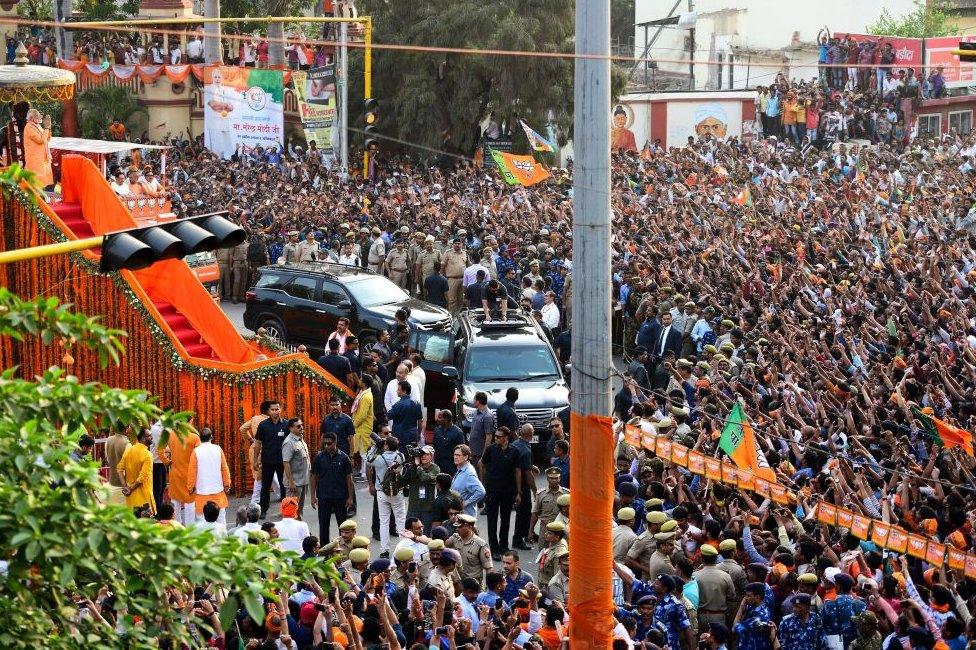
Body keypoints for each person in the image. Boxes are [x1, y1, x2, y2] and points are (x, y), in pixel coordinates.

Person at [480, 426, 522, 560]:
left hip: (508, 490)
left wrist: (518, 491)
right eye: (495, 436)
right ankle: (494, 548)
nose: (496, 438)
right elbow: (482, 465)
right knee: (492, 520)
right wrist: (483, 484)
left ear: (506, 438)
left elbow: (517, 471)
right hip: (492, 490)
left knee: (506, 519)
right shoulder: (491, 449)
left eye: (499, 436)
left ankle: (504, 545)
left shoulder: (514, 451)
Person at [309, 432, 354, 543]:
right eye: (325, 444)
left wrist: (350, 498)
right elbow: (313, 477)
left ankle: (344, 549)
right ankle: (325, 551)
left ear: (335, 442)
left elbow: (349, 480)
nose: (327, 446)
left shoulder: (344, 458)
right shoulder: (319, 458)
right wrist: (312, 497)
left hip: (340, 496)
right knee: (323, 526)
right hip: (324, 496)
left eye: (329, 443)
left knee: (342, 525)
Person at [368, 434, 406, 558]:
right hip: (397, 492)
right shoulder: (400, 456)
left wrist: (375, 446)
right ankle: (402, 548)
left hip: (381, 492)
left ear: (386, 446)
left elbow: (368, 460)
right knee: (400, 520)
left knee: (383, 522)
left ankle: (385, 550)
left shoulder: (379, 458)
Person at [185, 427, 231, 525]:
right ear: (212, 437)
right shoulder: (218, 449)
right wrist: (227, 484)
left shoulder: (196, 451)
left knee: (202, 523)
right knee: (221, 521)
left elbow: (192, 471)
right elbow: (224, 468)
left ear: (200, 438)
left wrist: (190, 487)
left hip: (202, 492)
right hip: (218, 491)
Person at [254, 400, 288, 518]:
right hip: (267, 461)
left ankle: (286, 509)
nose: (275, 412)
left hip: (283, 462)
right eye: (273, 410)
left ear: (281, 409)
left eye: (277, 409)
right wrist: (255, 461)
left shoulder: (286, 424)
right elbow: (258, 443)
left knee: (284, 486)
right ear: (268, 411)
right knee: (265, 487)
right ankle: (263, 510)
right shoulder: (263, 425)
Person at [165, 423, 201, 526]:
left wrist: (167, 461)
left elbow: (160, 449)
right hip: (190, 473)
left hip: (175, 473)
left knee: (176, 500)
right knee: (189, 501)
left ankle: (177, 525)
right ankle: (189, 527)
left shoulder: (171, 435)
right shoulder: (194, 437)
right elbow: (199, 455)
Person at [117, 427, 156, 515]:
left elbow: (119, 469)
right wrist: (130, 489)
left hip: (131, 497)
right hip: (144, 496)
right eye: (149, 436)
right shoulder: (148, 455)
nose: (151, 437)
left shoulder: (129, 450)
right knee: (145, 523)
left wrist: (125, 487)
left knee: (133, 522)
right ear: (142, 438)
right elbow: (142, 477)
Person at [402, 444, 440, 533]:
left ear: (432, 456)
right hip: (413, 507)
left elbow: (426, 478)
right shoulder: (414, 467)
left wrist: (418, 466)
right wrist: (397, 472)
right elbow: (402, 482)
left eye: (426, 454)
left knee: (424, 534)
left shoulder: (435, 468)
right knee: (409, 533)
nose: (423, 456)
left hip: (427, 508)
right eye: (422, 454)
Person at [281, 417, 311, 518]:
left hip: (303, 480)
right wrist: (291, 482)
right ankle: (290, 532)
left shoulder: (300, 438)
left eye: (302, 425)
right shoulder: (289, 442)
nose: (301, 427)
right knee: (291, 510)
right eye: (298, 426)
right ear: (291, 428)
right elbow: (286, 462)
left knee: (299, 509)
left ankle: (299, 529)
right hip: (295, 483)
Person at [450, 444, 485, 517]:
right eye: (454, 455)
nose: (455, 457)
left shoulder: (468, 473)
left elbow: (481, 491)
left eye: (458, 455)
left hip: (466, 517)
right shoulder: (461, 469)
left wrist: (466, 503)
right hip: (459, 515)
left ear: (466, 457)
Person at [387, 380, 422, 448]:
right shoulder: (417, 404)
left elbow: (388, 416)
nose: (397, 391)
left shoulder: (398, 405)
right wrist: (419, 434)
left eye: (399, 389)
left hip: (400, 438)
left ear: (404, 391)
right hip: (413, 436)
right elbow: (420, 421)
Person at [23, 108, 53, 188]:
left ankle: (40, 198)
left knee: (42, 181)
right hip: (34, 158)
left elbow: (47, 138)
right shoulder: (29, 127)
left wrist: (49, 127)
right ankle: (36, 198)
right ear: (32, 118)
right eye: (38, 116)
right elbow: (40, 140)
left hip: (41, 158)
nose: (40, 117)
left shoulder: (37, 125)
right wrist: (46, 128)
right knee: (36, 181)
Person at [432, 409, 465, 475]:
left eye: (440, 417)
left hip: (451, 469)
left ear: (446, 419)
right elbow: (434, 445)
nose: (437, 419)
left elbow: (462, 452)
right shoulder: (437, 430)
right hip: (438, 466)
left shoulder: (458, 433)